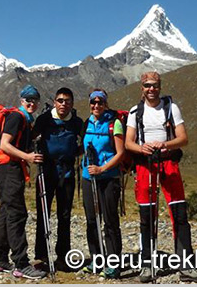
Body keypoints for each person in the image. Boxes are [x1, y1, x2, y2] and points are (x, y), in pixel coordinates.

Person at [124, 71, 197, 283]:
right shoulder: (135, 112)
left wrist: (165, 144)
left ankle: (186, 266)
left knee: (179, 213)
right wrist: (142, 148)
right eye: (147, 86)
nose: (151, 89)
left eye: (155, 85)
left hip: (169, 163)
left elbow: (183, 138)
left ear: (160, 87)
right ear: (141, 88)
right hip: (145, 165)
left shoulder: (171, 108)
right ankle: (147, 266)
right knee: (146, 216)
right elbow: (128, 143)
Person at [0, 84, 47, 279]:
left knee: (6, 211)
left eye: (34, 100)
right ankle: (21, 263)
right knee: (17, 213)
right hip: (8, 167)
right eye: (28, 99)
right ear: (21, 101)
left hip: (5, 167)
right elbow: (5, 145)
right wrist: (27, 156)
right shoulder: (16, 117)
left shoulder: (24, 119)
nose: (31, 103)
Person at [31, 87, 83, 273]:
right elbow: (32, 138)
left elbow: (84, 142)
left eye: (67, 101)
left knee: (65, 216)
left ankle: (63, 256)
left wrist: (76, 153)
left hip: (67, 173)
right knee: (43, 214)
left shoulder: (77, 122)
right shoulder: (44, 120)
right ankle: (41, 256)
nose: (63, 104)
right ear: (54, 102)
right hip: (46, 172)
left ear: (72, 103)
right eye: (60, 100)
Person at [80, 89, 125, 279]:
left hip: (108, 178)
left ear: (106, 104)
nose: (96, 106)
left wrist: (102, 169)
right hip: (88, 178)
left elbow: (120, 153)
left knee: (110, 221)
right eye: (93, 102)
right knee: (92, 220)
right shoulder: (86, 123)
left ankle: (113, 262)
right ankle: (97, 259)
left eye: (100, 102)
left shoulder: (114, 124)